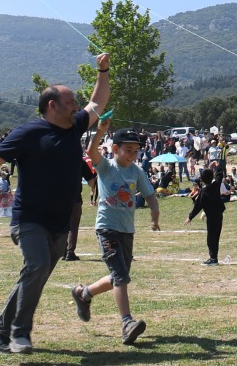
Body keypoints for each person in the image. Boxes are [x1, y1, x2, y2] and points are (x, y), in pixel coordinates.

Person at [0, 56, 111, 356]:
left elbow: (98, 101)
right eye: (71, 101)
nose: (77, 106)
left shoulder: (74, 127)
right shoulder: (29, 133)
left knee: (34, 277)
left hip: (59, 222)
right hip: (29, 219)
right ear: (52, 106)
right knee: (37, 266)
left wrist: (103, 70)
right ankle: (20, 332)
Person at [72, 121, 160, 346]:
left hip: (127, 231)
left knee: (117, 278)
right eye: (127, 149)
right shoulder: (107, 167)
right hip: (107, 229)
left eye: (136, 150)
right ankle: (127, 322)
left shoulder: (137, 171)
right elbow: (91, 152)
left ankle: (84, 294)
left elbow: (149, 194)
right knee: (121, 277)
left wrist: (154, 215)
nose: (132, 154)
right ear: (115, 149)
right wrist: (100, 131)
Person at [185, 159, 227, 265]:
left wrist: (190, 217)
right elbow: (219, 175)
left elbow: (197, 206)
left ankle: (213, 259)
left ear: (202, 180)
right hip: (219, 215)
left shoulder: (204, 192)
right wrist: (217, 166)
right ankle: (214, 257)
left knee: (210, 238)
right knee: (215, 237)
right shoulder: (216, 186)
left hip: (211, 218)